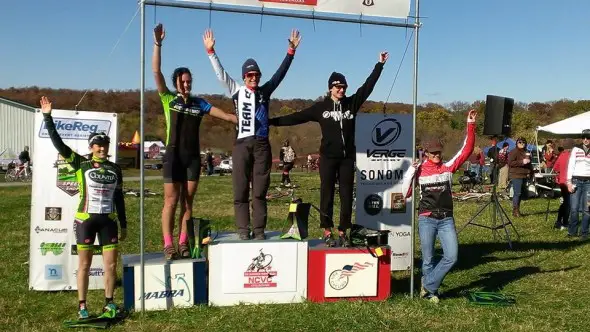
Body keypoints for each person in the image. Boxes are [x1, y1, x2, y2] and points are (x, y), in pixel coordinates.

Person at [268, 51, 389, 246]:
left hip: (347, 158)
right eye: (338, 87)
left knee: (347, 194)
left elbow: (368, 86)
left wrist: (379, 65)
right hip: (328, 158)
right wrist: (271, 122)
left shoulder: (351, 103)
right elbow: (296, 117)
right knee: (327, 192)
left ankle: (343, 230)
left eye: (344, 87)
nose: (341, 90)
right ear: (330, 88)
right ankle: (327, 229)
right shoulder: (320, 108)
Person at [202, 28, 301, 240]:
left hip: (262, 145)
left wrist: (290, 52)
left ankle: (258, 230)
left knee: (259, 191)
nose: (253, 78)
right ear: (244, 77)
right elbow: (221, 74)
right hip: (241, 144)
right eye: (250, 75)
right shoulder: (237, 91)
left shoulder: (265, 92)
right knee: (240, 190)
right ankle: (242, 230)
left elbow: (279, 75)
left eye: (256, 75)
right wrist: (211, 52)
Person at [153, 24, 238, 259]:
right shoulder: (168, 98)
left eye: (190, 81)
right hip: (173, 156)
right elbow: (156, 72)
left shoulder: (199, 103)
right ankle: (168, 243)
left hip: (192, 157)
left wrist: (239, 118)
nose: (187, 85)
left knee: (187, 202)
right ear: (176, 82)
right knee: (170, 201)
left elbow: (225, 115)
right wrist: (158, 44)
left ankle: (183, 242)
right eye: (183, 82)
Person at [39, 96, 127, 319]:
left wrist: (123, 224)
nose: (102, 148)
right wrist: (48, 117)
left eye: (105, 145)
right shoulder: (80, 162)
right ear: (91, 147)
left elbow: (119, 199)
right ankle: (82, 306)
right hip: (85, 219)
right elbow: (58, 143)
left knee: (110, 265)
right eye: (98, 145)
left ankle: (109, 303)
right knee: (85, 265)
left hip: (108, 220)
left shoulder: (116, 169)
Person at [401, 110, 477, 303]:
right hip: (426, 218)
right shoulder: (419, 170)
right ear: (426, 153)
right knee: (428, 259)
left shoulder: (448, 167)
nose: (436, 155)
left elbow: (466, 150)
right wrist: (411, 171)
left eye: (438, 152)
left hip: (446, 219)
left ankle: (427, 285)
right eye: (433, 152)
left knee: (451, 256)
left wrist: (470, 124)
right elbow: (405, 193)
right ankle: (432, 293)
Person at [565, 129, 590, 240]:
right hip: (576, 181)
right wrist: (569, 182)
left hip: (588, 183)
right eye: (584, 137)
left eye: (588, 138)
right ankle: (572, 232)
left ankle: (584, 232)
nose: (586, 140)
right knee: (574, 208)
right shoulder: (576, 149)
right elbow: (571, 165)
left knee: (587, 209)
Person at [508, 137, 533, 217]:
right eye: (520, 142)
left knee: (521, 193)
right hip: (516, 174)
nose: (521, 144)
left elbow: (529, 165)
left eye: (523, 142)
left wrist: (530, 172)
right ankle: (515, 211)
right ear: (517, 143)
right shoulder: (513, 152)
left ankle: (517, 210)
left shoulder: (526, 152)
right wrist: (522, 162)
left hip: (524, 174)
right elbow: (510, 163)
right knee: (517, 193)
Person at [552, 138, 574, 230]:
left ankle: (559, 221)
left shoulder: (562, 155)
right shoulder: (571, 156)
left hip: (562, 182)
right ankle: (564, 222)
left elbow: (555, 168)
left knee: (565, 203)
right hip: (569, 182)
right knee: (568, 204)